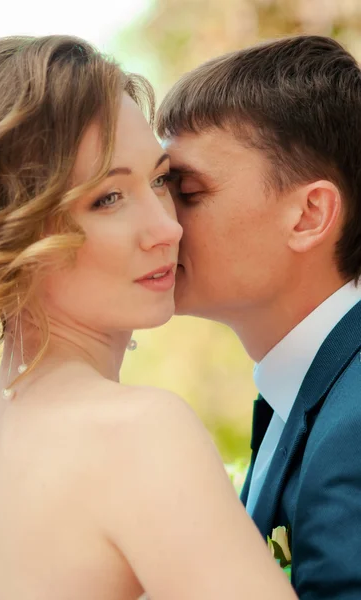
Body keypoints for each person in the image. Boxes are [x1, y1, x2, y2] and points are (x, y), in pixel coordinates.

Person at [0, 35, 296, 600]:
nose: (168, 228)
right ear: (13, 229)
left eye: (163, 180)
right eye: (108, 198)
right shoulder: (138, 431)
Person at [157, 34, 361, 599]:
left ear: (308, 214)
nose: (159, 223)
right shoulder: (312, 388)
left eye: (187, 191)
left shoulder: (354, 423)